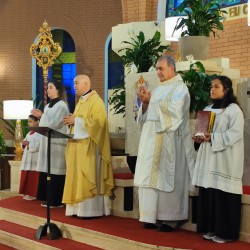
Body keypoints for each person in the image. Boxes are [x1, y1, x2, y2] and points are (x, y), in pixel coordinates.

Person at [134, 55, 195, 231]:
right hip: (151, 140)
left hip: (169, 141)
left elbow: (174, 113)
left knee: (169, 177)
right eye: (157, 69)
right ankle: (151, 216)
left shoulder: (180, 89)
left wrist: (150, 101)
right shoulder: (159, 89)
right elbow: (145, 117)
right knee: (150, 177)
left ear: (172, 68)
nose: (158, 72)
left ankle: (170, 219)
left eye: (161, 68)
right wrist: (144, 105)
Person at [192, 75, 244, 243]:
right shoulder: (207, 109)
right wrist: (199, 138)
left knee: (223, 195)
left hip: (225, 159)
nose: (212, 89)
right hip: (209, 158)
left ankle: (227, 233)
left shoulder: (234, 110)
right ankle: (212, 229)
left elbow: (235, 133)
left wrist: (212, 138)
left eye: (216, 87)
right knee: (210, 193)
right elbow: (202, 131)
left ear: (226, 90)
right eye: (211, 87)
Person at [62, 74, 114, 218]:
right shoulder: (81, 102)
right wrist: (71, 121)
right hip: (78, 147)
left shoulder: (96, 101)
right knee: (77, 179)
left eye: (77, 83)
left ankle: (90, 211)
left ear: (86, 84)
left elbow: (98, 124)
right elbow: (78, 121)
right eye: (74, 83)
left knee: (87, 178)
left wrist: (76, 121)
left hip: (90, 148)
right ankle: (76, 209)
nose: (74, 86)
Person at [31, 80, 69, 208]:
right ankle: (48, 198)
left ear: (58, 90)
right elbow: (45, 125)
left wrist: (42, 115)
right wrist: (41, 117)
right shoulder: (48, 106)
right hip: (47, 142)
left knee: (56, 172)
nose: (48, 90)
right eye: (47, 88)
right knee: (47, 171)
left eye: (51, 88)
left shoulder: (62, 105)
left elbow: (54, 123)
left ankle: (56, 200)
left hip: (57, 143)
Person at [19, 115, 41, 200]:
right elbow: (24, 142)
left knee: (33, 176)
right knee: (27, 175)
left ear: (36, 122)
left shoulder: (39, 133)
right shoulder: (29, 133)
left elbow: (38, 146)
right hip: (27, 157)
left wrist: (29, 145)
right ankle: (26, 192)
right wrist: (23, 144)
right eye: (28, 121)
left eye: (31, 121)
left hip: (35, 157)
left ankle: (33, 194)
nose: (29, 123)